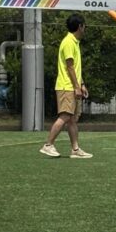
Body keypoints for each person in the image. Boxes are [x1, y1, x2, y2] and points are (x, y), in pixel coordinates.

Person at [40, 14, 92, 159]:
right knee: (65, 116)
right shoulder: (68, 42)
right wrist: (76, 86)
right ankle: (48, 145)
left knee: (72, 119)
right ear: (80, 26)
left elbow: (75, 68)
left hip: (72, 86)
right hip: (66, 86)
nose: (85, 28)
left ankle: (75, 150)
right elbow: (70, 67)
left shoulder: (74, 42)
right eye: (84, 25)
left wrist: (81, 84)